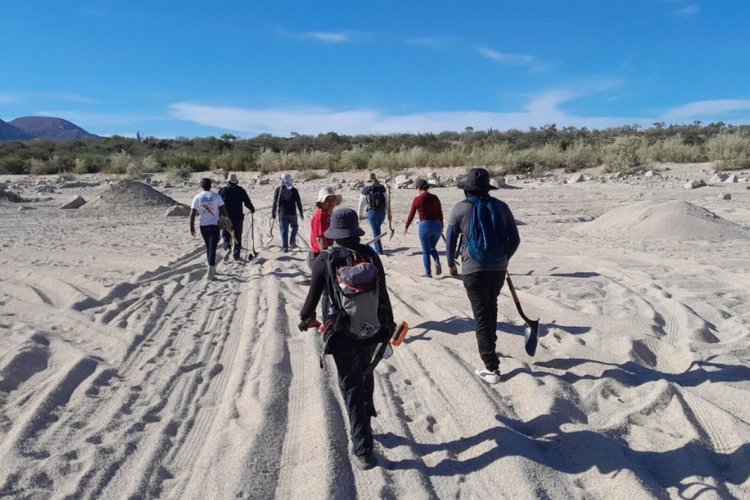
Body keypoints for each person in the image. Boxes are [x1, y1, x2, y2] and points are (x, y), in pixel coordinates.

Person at [299, 208, 395, 470]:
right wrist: (388, 326)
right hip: (371, 329)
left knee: (350, 384)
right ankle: (367, 423)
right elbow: (383, 295)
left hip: (341, 332)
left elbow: (311, 300)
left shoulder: (325, 259)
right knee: (365, 373)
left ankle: (363, 448)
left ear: (334, 234)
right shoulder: (371, 254)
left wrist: (305, 319)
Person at [445, 168, 520, 384]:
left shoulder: (460, 208)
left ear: (467, 191)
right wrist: (504, 258)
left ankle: (491, 367)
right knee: (491, 308)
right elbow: (514, 239)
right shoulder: (501, 207)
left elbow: (450, 240)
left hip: (472, 268)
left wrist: (451, 263)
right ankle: (491, 349)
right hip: (498, 269)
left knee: (481, 315)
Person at [190, 178, 229, 280]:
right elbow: (224, 211)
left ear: (201, 186)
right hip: (214, 225)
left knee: (209, 247)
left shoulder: (197, 197)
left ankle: (212, 268)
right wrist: (227, 222)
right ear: (210, 186)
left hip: (203, 226)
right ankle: (210, 273)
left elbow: (192, 213)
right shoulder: (216, 196)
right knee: (212, 247)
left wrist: (192, 226)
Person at [404, 178, 444, 278]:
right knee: (432, 247)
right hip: (437, 225)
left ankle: (428, 273)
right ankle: (436, 260)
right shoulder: (435, 197)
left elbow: (411, 214)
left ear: (418, 188)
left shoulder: (417, 199)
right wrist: (441, 225)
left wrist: (406, 226)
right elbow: (440, 212)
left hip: (425, 226)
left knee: (426, 250)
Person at [218, 173, 255, 261]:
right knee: (238, 235)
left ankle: (227, 248)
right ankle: (236, 254)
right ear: (236, 181)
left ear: (228, 181)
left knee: (226, 234)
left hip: (226, 216)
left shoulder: (222, 190)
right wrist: (252, 209)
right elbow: (247, 202)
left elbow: (217, 204)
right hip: (238, 217)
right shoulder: (241, 190)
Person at [357, 173, 390, 255]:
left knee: (376, 232)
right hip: (382, 213)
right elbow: (387, 201)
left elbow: (361, 204)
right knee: (377, 229)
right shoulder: (382, 188)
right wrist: (389, 213)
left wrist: (359, 215)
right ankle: (378, 247)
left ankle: (379, 251)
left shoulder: (366, 190)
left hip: (372, 212)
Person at [271, 173, 304, 252]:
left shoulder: (278, 190)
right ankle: (292, 241)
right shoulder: (294, 190)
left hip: (283, 213)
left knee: (284, 230)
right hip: (293, 213)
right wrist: (301, 212)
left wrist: (273, 212)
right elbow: (298, 202)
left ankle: (285, 247)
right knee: (295, 227)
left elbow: (275, 202)